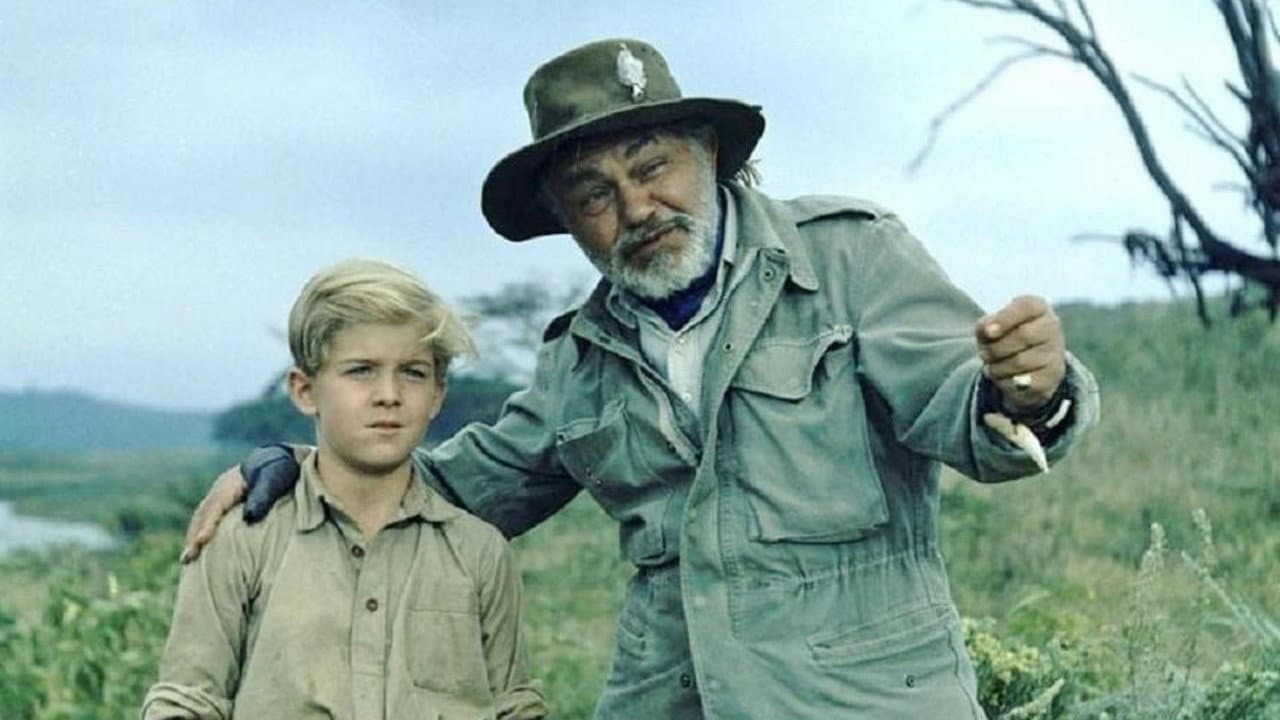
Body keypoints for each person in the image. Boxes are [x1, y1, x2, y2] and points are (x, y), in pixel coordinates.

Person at [183, 39, 1100, 719]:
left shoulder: (850, 257)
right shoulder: (578, 358)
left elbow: (966, 410)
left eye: (652, 166)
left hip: (867, 699)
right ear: (565, 219)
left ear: (709, 153)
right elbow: (456, 490)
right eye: (594, 192)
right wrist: (297, 467)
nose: (635, 208)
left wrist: (1028, 390)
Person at [145, 259, 548, 719]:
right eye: (361, 370)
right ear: (304, 390)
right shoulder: (243, 539)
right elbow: (188, 701)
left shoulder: (480, 553)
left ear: (437, 395)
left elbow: (515, 706)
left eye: (413, 372)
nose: (389, 394)